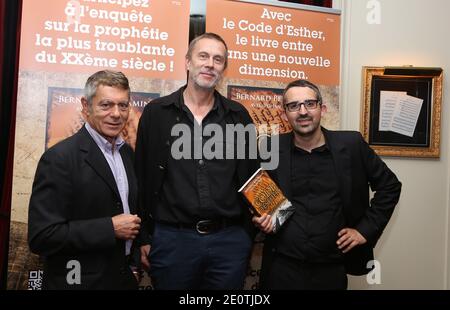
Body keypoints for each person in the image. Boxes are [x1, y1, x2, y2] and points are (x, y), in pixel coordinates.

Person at [135, 33, 259, 289]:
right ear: (187, 62)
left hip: (229, 243)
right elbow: (142, 177)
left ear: (224, 68)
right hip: (172, 241)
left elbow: (253, 176)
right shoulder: (156, 113)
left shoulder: (238, 116)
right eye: (203, 56)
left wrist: (247, 234)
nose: (210, 64)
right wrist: (144, 237)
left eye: (218, 59)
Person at [253, 79, 402, 290]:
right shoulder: (270, 148)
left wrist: (364, 230)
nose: (302, 111)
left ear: (322, 108)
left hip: (331, 268)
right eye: (294, 106)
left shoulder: (351, 145)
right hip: (282, 267)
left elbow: (390, 186)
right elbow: (257, 195)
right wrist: (260, 218)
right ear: (284, 114)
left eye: (309, 104)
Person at [28, 70, 141, 289]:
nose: (116, 114)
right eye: (106, 105)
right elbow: (42, 236)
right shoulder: (59, 158)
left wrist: (133, 266)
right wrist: (109, 228)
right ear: (86, 106)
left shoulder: (127, 154)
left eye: (123, 105)